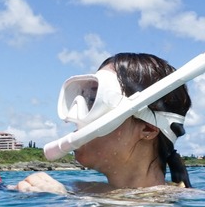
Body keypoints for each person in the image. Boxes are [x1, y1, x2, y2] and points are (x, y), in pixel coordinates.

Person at [14, 52, 193, 195]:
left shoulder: (180, 203)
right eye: (84, 98)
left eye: (94, 101)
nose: (76, 117)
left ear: (147, 128)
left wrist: (63, 205)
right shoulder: (80, 190)